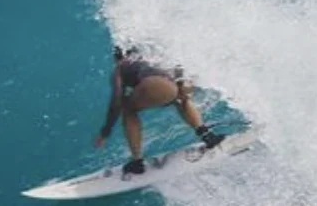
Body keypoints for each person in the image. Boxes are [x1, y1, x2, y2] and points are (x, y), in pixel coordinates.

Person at [95, 46, 224, 177]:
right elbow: (177, 68)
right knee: (179, 100)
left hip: (156, 85)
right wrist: (181, 84)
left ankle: (137, 161)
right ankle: (207, 135)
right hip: (177, 84)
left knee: (128, 109)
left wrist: (106, 131)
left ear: (118, 57)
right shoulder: (150, 58)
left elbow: (116, 101)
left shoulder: (120, 67)